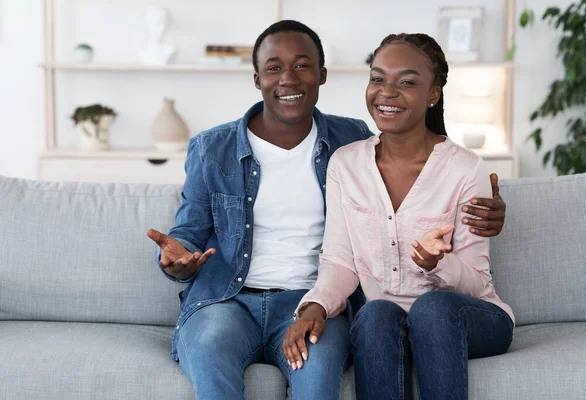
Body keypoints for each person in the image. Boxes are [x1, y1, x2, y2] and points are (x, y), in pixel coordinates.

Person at [147, 21, 507, 400]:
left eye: (302, 66)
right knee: (370, 316)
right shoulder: (217, 149)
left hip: (317, 298)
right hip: (229, 300)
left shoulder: (349, 140)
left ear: (322, 75)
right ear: (257, 78)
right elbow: (187, 234)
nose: (288, 79)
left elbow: (412, 148)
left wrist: (487, 214)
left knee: (326, 375)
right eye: (274, 68)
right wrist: (176, 258)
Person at [283, 33, 515, 400]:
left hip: (470, 319)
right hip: (389, 322)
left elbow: (475, 283)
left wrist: (439, 264)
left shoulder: (466, 170)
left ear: (433, 94)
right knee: (375, 314)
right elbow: (341, 260)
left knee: (433, 309)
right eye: (377, 78)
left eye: (406, 82)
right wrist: (316, 306)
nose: (386, 92)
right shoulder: (346, 164)